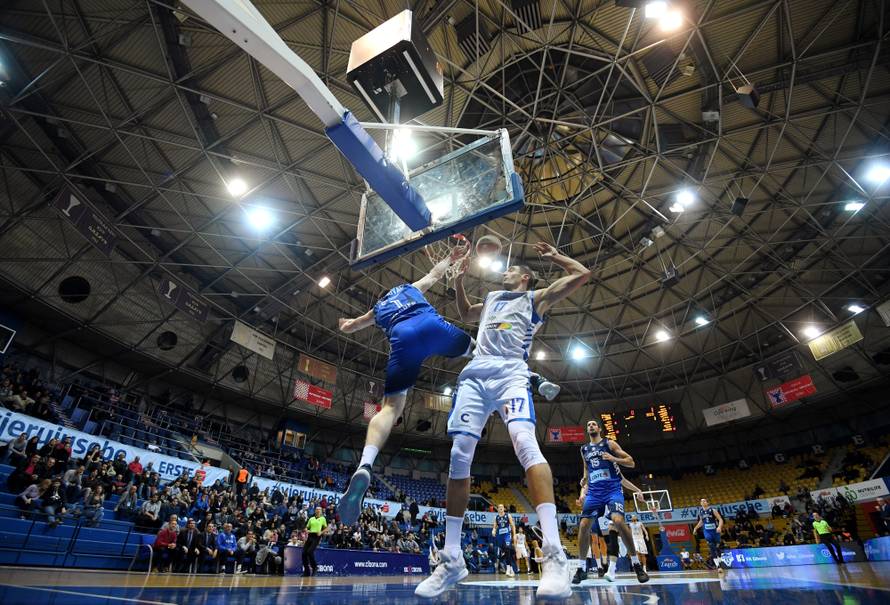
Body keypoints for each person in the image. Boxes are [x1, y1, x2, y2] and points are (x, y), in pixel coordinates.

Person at [416, 241, 591, 599]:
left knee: (526, 445)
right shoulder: (494, 298)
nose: (505, 271)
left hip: (511, 374)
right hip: (475, 376)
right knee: (459, 454)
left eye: (512, 269)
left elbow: (581, 274)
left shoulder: (536, 299)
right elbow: (466, 313)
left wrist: (555, 256)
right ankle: (452, 559)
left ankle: (556, 557)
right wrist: (459, 281)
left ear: (524, 277)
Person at [337, 247, 472, 526]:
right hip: (430, 324)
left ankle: (365, 464)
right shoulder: (409, 288)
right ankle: (527, 374)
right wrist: (451, 257)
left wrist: (344, 324)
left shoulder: (377, 310)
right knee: (479, 349)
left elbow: (350, 327)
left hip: (402, 337)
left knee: (390, 407)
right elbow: (435, 274)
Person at [573, 419, 649, 585]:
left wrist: (614, 458)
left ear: (599, 428)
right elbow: (586, 468)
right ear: (587, 430)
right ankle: (581, 568)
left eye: (593, 424)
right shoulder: (584, 449)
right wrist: (584, 480)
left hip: (612, 490)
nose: (591, 426)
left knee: (618, 521)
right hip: (594, 493)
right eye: (588, 425)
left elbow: (631, 461)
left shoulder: (610, 443)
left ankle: (636, 564)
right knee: (584, 525)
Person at [693, 498, 725, 569]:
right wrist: (695, 528)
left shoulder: (713, 510)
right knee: (711, 547)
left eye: (704, 501)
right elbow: (701, 522)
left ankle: (720, 563)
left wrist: (719, 527)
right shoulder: (700, 511)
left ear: (707, 503)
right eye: (701, 501)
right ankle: (718, 566)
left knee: (717, 547)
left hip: (715, 531)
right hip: (707, 531)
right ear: (700, 503)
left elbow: (720, 519)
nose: (702, 502)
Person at [492, 504, 516, 576]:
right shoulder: (496, 517)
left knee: (508, 548)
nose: (500, 508)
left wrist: (514, 535)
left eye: (502, 507)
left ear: (504, 508)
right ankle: (511, 569)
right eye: (499, 508)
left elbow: (513, 526)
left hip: (507, 535)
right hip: (500, 536)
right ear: (498, 509)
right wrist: (493, 531)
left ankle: (508, 569)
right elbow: (494, 527)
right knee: (505, 552)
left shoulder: (508, 515)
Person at [303, 506, 328, 577]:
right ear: (315, 511)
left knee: (309, 551)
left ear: (321, 511)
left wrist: (321, 532)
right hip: (310, 535)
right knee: (304, 553)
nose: (318, 510)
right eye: (317, 509)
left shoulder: (323, 519)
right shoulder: (311, 518)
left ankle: (314, 567)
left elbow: (326, 528)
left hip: (316, 536)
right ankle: (307, 571)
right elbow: (307, 527)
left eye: (319, 509)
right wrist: (306, 530)